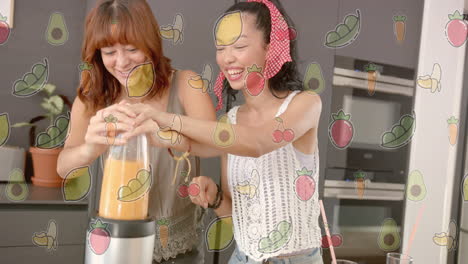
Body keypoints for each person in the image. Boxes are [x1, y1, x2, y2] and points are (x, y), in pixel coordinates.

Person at [123, 0, 324, 263]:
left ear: (271, 47)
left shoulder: (305, 104)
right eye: (220, 48)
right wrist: (215, 198)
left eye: (239, 46)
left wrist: (164, 117)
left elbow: (258, 143)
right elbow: (236, 218)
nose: (227, 58)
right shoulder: (230, 122)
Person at [56, 0, 216, 263]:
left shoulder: (187, 84)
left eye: (132, 48)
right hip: (116, 244)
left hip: (177, 246)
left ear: (150, 43)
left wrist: (164, 134)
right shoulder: (92, 96)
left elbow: (215, 143)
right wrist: (90, 148)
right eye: (109, 51)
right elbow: (63, 168)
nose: (121, 62)